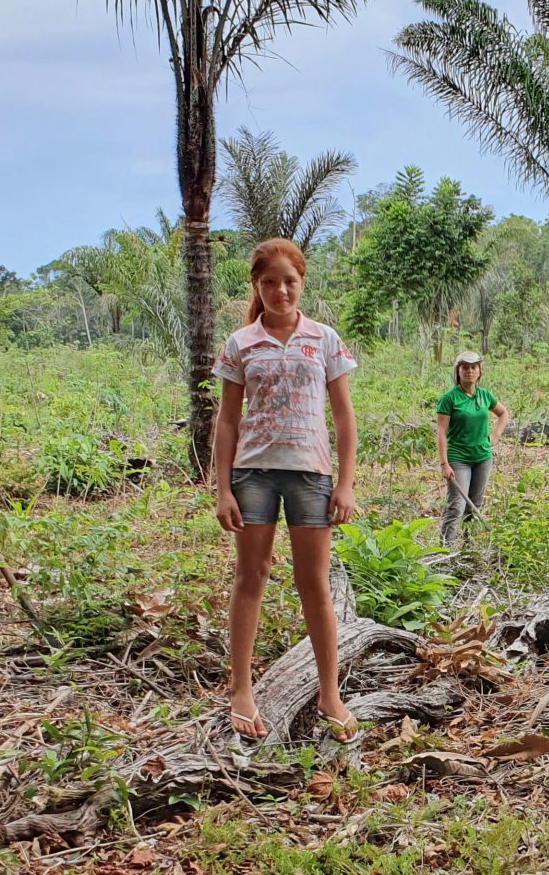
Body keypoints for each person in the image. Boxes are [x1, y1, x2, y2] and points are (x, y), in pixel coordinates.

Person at [213, 238, 360, 742]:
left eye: (289, 281)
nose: (280, 290)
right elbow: (228, 422)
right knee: (250, 576)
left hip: (310, 473)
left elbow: (343, 417)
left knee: (313, 583)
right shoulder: (240, 343)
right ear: (257, 285)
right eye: (269, 282)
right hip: (253, 473)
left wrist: (344, 484)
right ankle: (241, 690)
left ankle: (329, 693)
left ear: (302, 282)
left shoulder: (324, 339)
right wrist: (222, 490)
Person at [435, 351, 510, 548]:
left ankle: (469, 549)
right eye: (465, 367)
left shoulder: (484, 395)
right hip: (458, 459)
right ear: (458, 371)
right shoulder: (449, 399)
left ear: (479, 372)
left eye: (473, 367)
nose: (469, 371)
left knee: (474, 506)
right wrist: (444, 463)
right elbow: (441, 432)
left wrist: (495, 436)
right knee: (456, 507)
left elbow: (503, 414)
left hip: (482, 458)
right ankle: (446, 551)